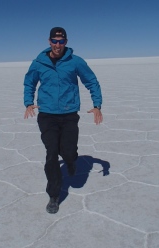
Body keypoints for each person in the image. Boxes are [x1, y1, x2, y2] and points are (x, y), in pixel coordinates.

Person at [24, 27, 103, 214]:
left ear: (66, 42)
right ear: (49, 41)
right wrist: (28, 102)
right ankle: (54, 195)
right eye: (54, 41)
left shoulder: (75, 61)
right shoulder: (38, 63)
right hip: (47, 115)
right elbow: (29, 82)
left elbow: (92, 81)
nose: (58, 45)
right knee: (51, 153)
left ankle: (70, 160)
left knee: (67, 152)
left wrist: (97, 105)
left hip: (69, 115)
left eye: (61, 41)